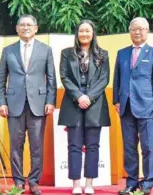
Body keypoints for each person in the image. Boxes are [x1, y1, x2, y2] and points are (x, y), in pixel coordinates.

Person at [0, 14, 56, 195]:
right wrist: (1, 102)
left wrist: (50, 101)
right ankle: (18, 181)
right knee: (16, 145)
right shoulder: (8, 51)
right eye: (22, 25)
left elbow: (51, 78)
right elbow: (1, 79)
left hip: (38, 104)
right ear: (17, 29)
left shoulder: (45, 50)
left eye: (29, 25)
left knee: (36, 145)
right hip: (14, 104)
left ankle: (34, 181)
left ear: (36, 28)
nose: (25, 27)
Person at [113, 17, 153, 195]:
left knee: (148, 147)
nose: (138, 32)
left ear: (147, 31)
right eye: (134, 29)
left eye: (141, 29)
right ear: (130, 31)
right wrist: (116, 101)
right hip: (126, 107)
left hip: (148, 107)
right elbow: (117, 79)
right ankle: (132, 182)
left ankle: (148, 182)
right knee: (129, 147)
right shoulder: (122, 53)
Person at [58, 20, 111, 195]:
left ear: (93, 33)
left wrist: (89, 96)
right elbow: (64, 77)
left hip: (95, 104)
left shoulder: (103, 54)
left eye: (88, 31)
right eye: (81, 31)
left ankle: (89, 183)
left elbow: (104, 79)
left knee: (93, 146)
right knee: (73, 145)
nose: (85, 34)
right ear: (77, 33)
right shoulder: (67, 53)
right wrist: (79, 96)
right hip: (73, 103)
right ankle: (76, 184)